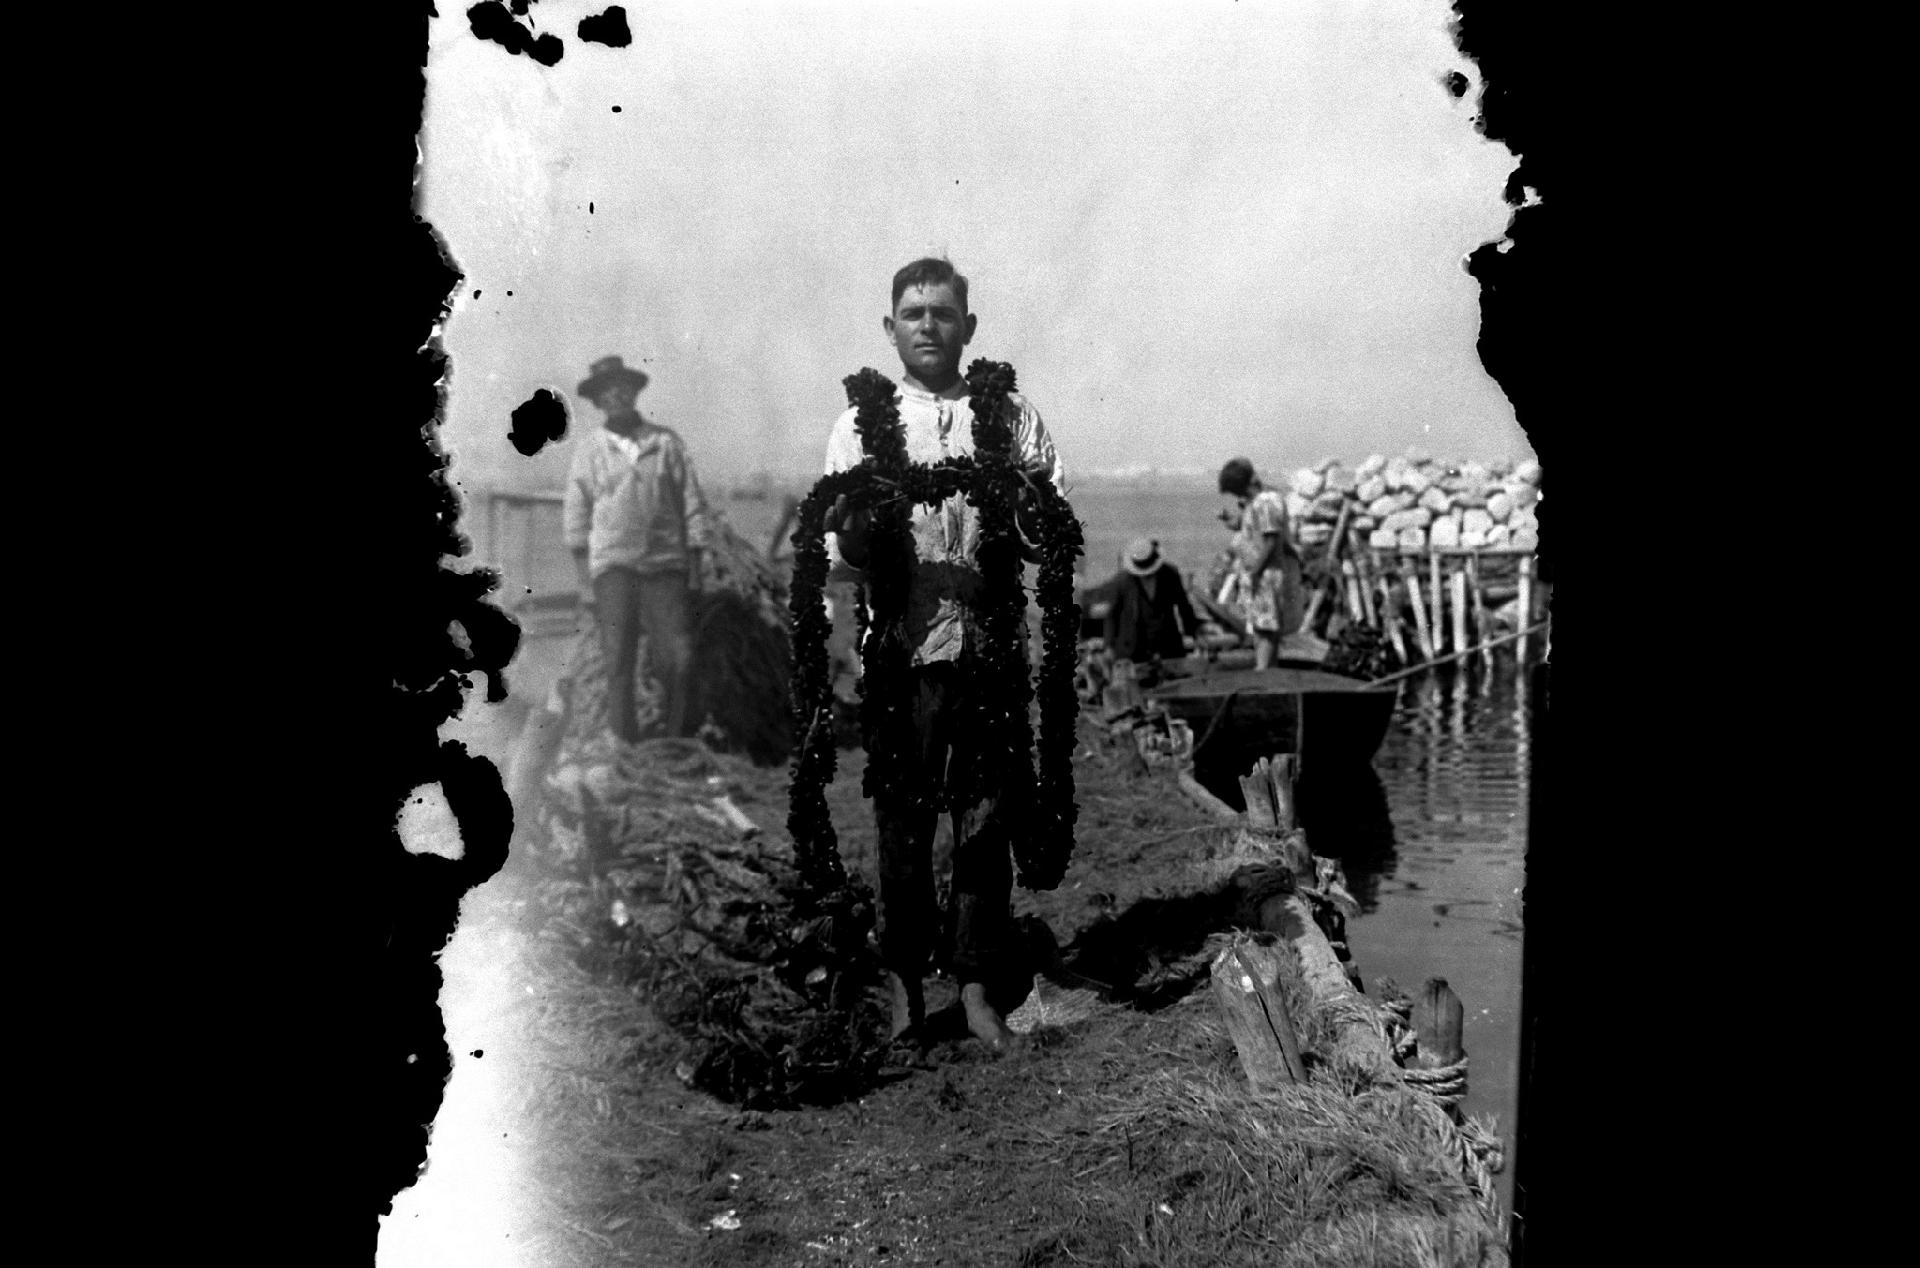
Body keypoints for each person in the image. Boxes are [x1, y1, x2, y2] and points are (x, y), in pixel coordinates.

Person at [821, 257, 1064, 1054]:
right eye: (914, 313)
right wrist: (857, 528)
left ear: (969, 326)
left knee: (985, 820)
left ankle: (977, 987)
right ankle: (903, 982)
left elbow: (1049, 531)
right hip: (902, 646)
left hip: (989, 645)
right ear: (889, 328)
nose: (928, 325)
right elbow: (840, 555)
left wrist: (1026, 506)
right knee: (903, 819)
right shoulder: (861, 425)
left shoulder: (1012, 415)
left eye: (943, 312)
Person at [563, 354, 711, 742]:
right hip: (612, 569)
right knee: (618, 659)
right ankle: (624, 742)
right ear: (598, 401)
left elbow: (692, 507)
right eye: (606, 391)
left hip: (665, 566)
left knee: (676, 658)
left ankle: (677, 741)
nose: (616, 395)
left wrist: (695, 571)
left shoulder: (665, 443)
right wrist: (584, 584)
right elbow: (576, 520)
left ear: (634, 392)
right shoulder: (590, 450)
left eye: (622, 388)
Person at [1217, 457, 1305, 669]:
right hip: (1261, 574)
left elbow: (1271, 540)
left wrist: (1256, 571)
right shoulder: (1257, 503)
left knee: (1265, 631)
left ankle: (1262, 672)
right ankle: (1267, 670)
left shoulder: (1266, 502)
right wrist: (1233, 521)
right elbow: (1253, 529)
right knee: (1262, 629)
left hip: (1267, 575)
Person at [1101, 538, 1199, 665]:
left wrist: (1194, 634)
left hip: (1167, 645)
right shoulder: (1122, 582)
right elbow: (1111, 615)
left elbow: (1184, 607)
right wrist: (1108, 646)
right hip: (1134, 647)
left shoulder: (1170, 575)